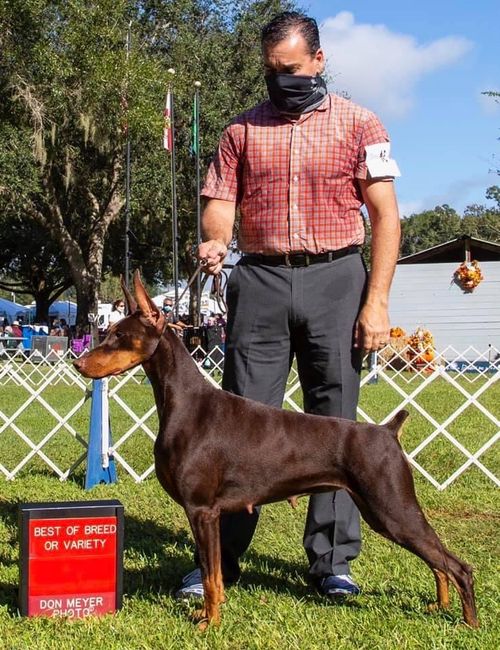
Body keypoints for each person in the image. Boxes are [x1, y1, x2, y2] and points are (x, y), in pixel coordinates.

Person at [176, 11, 401, 601]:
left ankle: (332, 563)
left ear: (319, 62)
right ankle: (218, 562)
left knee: (336, 424)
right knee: (238, 422)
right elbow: (221, 201)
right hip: (261, 281)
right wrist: (216, 238)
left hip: (336, 277)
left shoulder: (361, 123)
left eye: (293, 70)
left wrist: (375, 301)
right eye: (272, 71)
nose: (282, 81)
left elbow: (385, 217)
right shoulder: (240, 132)